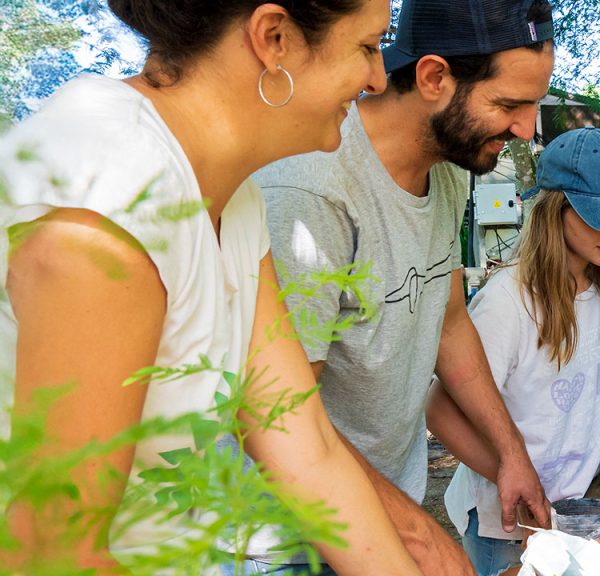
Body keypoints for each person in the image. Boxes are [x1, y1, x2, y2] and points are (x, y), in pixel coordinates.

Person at [0, 0, 421, 573]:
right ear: (274, 39)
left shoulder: (232, 197)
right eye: (367, 47)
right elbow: (50, 554)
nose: (377, 79)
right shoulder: (109, 199)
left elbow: (308, 450)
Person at [248, 0, 557, 571]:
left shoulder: (448, 169)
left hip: (381, 503)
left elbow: (449, 322)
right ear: (434, 77)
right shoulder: (311, 189)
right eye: (509, 104)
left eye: (534, 103)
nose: (525, 129)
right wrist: (419, 537)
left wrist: (510, 453)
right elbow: (283, 415)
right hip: (287, 538)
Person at [437, 127, 600, 576]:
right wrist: (514, 478)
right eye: (597, 215)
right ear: (555, 208)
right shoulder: (509, 301)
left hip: (568, 513)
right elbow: (439, 410)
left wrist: (594, 432)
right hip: (507, 526)